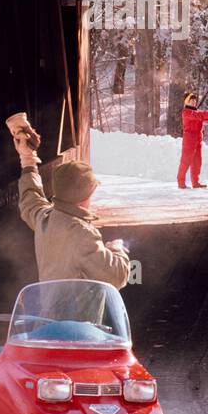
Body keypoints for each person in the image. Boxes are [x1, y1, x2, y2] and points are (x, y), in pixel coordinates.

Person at [11, 119, 130, 289]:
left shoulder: (45, 217)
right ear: (85, 194)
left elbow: (30, 197)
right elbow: (117, 277)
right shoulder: (82, 234)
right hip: (77, 315)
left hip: (50, 313)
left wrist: (27, 158)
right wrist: (116, 249)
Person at [177, 91, 208, 189]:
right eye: (191, 100)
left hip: (198, 139)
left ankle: (195, 182)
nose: (194, 102)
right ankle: (181, 181)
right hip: (189, 139)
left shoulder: (196, 111)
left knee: (197, 161)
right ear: (186, 102)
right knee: (186, 160)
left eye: (195, 100)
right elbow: (199, 116)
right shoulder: (186, 112)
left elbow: (203, 116)